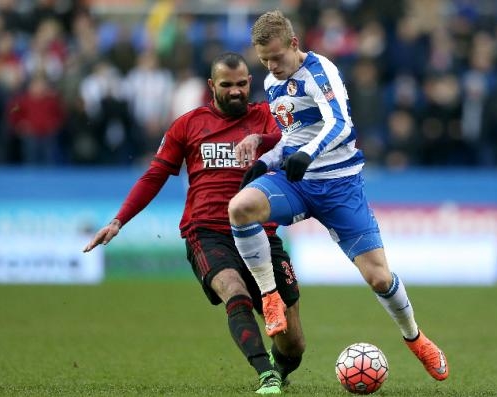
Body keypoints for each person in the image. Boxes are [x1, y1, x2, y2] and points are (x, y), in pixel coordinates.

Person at [228, 10, 449, 381]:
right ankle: (269, 298)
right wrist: (266, 162)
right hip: (297, 183)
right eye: (264, 60)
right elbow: (292, 138)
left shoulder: (320, 71)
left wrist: (305, 155)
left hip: (340, 187)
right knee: (241, 208)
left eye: (277, 57)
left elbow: (340, 122)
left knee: (379, 278)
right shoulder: (272, 82)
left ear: (294, 45)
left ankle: (416, 338)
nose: (271, 66)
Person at [83, 52, 305, 395]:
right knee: (234, 290)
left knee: (294, 343)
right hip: (207, 232)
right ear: (211, 86)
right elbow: (155, 175)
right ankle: (265, 373)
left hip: (262, 233)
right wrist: (118, 220)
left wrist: (260, 139)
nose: (235, 92)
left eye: (242, 84)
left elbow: (295, 141)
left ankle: (279, 367)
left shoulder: (265, 117)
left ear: (250, 82)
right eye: (227, 85)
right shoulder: (188, 125)